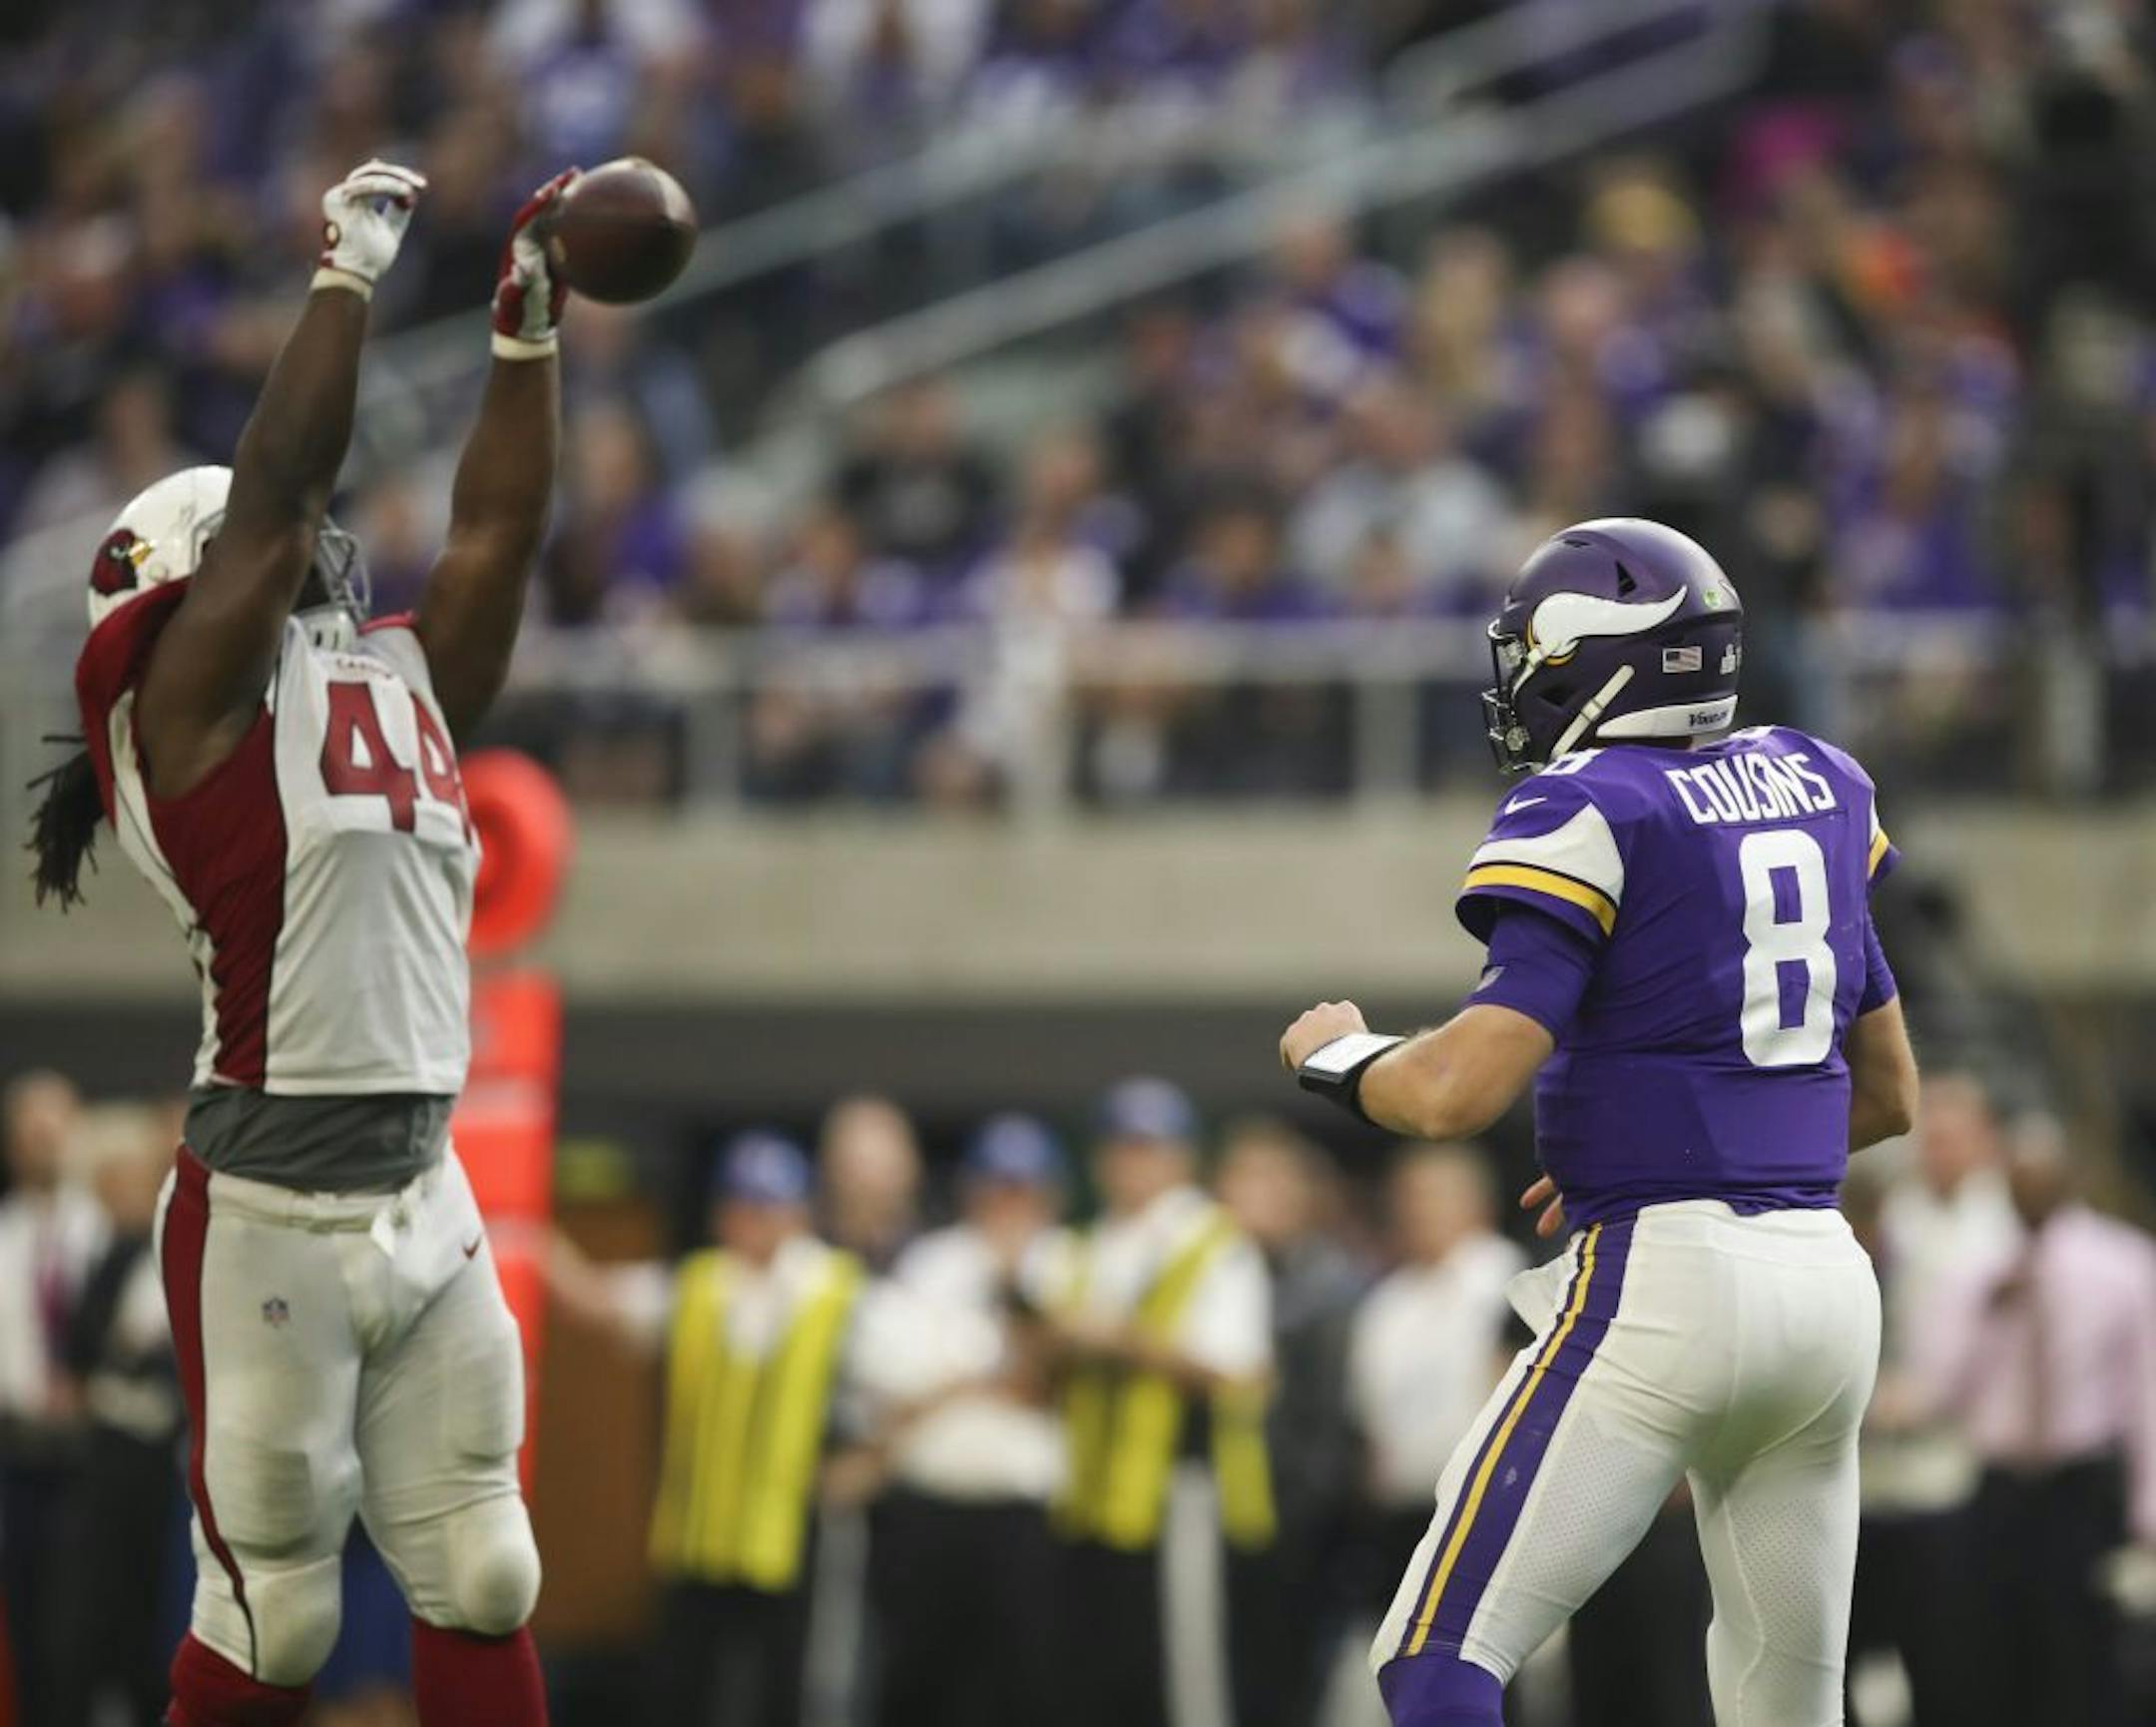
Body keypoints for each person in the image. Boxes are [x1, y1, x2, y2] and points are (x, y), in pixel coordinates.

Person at [25, 159, 577, 1727]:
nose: (329, 563)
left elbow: (494, 537)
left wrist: (526, 342)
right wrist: (340, 276)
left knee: (484, 1571)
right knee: (274, 1612)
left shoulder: (388, 681)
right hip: (268, 1206)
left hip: (422, 1177)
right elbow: (275, 504)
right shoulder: (178, 718)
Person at [1280, 517, 1919, 1727]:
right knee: (1788, 1706)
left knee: (1438, 1658)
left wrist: (1338, 1056)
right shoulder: (1820, 779)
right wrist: (1676, 1150)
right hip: (1829, 1294)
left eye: (1532, 650)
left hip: (1665, 1289)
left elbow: (1454, 1090)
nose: (1517, 677)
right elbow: (1888, 1095)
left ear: (1605, 657)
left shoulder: (1592, 801)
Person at [544, 1133, 865, 1727]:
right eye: (741, 1207)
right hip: (698, 1537)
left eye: (767, 1208)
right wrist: (525, 1216)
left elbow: (907, 1379)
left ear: (798, 1214)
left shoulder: (834, 1289)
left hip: (787, 1538)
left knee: (784, 1694)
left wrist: (867, 1463)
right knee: (685, 1691)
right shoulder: (700, 1287)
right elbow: (594, 1300)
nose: (753, 1225)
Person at [1910, 1114, 2156, 1727]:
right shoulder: (1971, 1270)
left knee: (2083, 1652)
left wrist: (2148, 1507)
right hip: (1998, 1486)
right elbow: (1938, 1390)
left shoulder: (2123, 1264)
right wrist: (1988, 1312)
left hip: (2082, 1484)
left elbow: (2145, 1392)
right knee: (1993, 1652)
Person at [1051, 1077, 1276, 1727]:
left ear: (1181, 1157)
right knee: (1105, 1676)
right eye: (1120, 1147)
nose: (1131, 1163)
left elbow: (1239, 1369)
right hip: (1095, 1498)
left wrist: (1119, 1338)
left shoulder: (1212, 1241)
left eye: (1147, 1147)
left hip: (1183, 1487)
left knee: (1188, 1677)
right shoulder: (1089, 1244)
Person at [861, 1113, 1071, 1727]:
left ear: (1049, 1194)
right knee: (917, 1682)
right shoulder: (930, 1263)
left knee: (1026, 1685)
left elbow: (1046, 1384)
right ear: (971, 1190)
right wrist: (984, 1380)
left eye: (1023, 1188)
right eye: (997, 1186)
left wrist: (1012, 1292)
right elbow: (896, 1390)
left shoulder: (1068, 1261)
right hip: (932, 1507)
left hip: (1027, 1514)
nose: (1009, 1203)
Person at [1214, 1115, 1364, 1727]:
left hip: (1297, 1523)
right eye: (1244, 1179)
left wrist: (1304, 1515)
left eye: (1273, 1180)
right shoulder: (1215, 1276)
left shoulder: (1327, 1284)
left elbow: (1330, 1418)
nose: (1257, 1195)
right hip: (1224, 1512)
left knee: (1290, 1684)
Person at [1347, 1145, 1523, 1628]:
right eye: (1409, 1196)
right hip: (1406, 1513)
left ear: (1478, 1203)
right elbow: (1370, 1419)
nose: (1419, 1209)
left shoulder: (1510, 1280)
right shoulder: (1386, 1302)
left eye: (1435, 1196)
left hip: (1490, 1514)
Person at [49, 1114, 184, 1727]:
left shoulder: (189, 1245)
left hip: (175, 1466)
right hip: (109, 1463)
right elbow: (80, 1349)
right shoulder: (111, 1253)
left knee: (163, 1615)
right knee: (100, 1611)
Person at [0, 1070, 105, 1725]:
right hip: (13, 1454)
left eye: (54, 1128)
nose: (42, 1142)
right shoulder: (4, 1232)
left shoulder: (104, 1231)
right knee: (24, 1622)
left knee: (85, 1622)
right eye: (29, 1130)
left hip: (93, 1458)